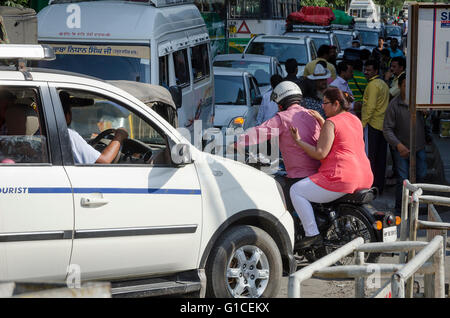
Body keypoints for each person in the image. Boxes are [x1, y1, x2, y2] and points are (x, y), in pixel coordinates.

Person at [289, 87, 373, 247]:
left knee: (296, 190)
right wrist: (322, 121)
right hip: (364, 175)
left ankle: (311, 234)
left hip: (341, 176)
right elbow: (340, 137)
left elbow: (320, 153)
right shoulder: (354, 119)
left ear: (336, 104)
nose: (322, 106)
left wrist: (298, 141)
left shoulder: (331, 122)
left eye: (326, 103)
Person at [235, 81, 321, 191]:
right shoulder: (311, 114)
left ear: (281, 104)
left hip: (299, 176)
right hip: (317, 172)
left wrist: (236, 143)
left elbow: (257, 133)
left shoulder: (282, 118)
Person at [383, 73, 427, 214]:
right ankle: (400, 209)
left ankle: (418, 206)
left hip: (419, 147)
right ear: (400, 86)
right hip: (401, 148)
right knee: (403, 179)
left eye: (411, 86)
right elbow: (387, 129)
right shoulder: (394, 105)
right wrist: (398, 145)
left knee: (421, 175)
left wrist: (427, 111)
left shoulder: (418, 102)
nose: (408, 89)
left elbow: (428, 113)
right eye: (405, 86)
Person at [60, 91, 128, 164]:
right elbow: (104, 161)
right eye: (72, 111)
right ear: (67, 115)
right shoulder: (67, 135)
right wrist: (119, 136)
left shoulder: (57, 133)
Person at [362, 59, 390, 194]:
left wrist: (361, 124)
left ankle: (371, 185)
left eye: (369, 70)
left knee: (370, 158)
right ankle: (379, 186)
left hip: (373, 125)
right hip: (382, 125)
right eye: (365, 69)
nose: (366, 72)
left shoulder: (372, 85)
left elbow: (370, 107)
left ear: (376, 71)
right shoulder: (383, 84)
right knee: (381, 158)